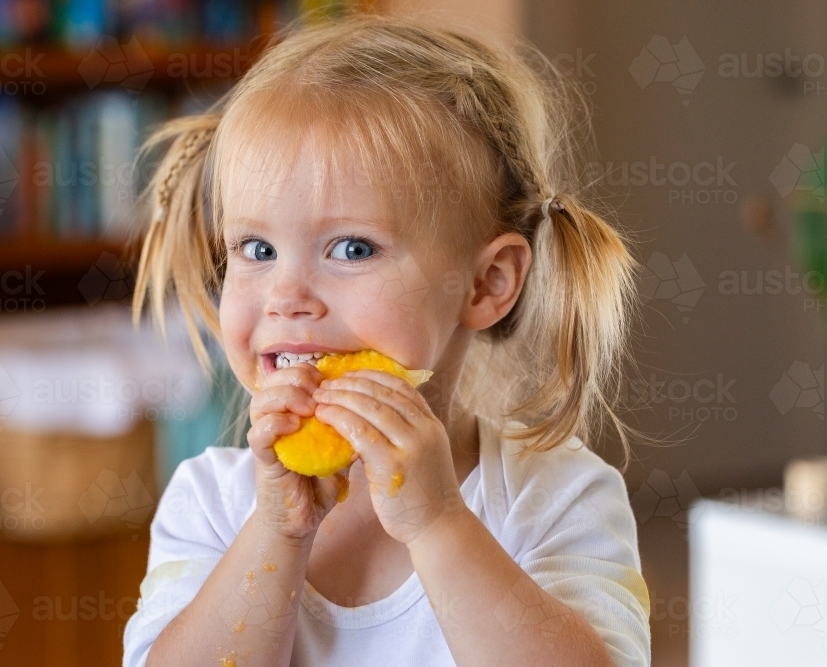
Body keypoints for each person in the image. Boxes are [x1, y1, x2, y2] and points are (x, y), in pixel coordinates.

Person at [123, 10, 650, 667]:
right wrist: (276, 533)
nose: (286, 296)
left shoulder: (557, 495)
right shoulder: (211, 501)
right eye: (256, 247)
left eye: (351, 247)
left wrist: (437, 522)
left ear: (486, 284)